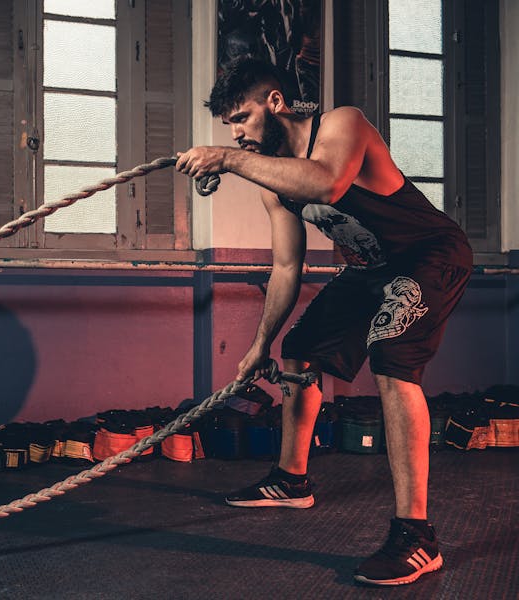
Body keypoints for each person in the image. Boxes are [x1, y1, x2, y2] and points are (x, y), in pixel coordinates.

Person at [176, 56, 472, 586]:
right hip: (372, 267)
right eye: (229, 128)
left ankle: (417, 536)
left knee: (390, 353)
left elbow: (328, 184)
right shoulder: (272, 181)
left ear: (275, 102)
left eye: (241, 118)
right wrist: (258, 346)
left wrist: (225, 158)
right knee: (302, 348)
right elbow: (287, 267)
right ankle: (292, 480)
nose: (237, 134)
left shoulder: (341, 123)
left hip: (431, 254)